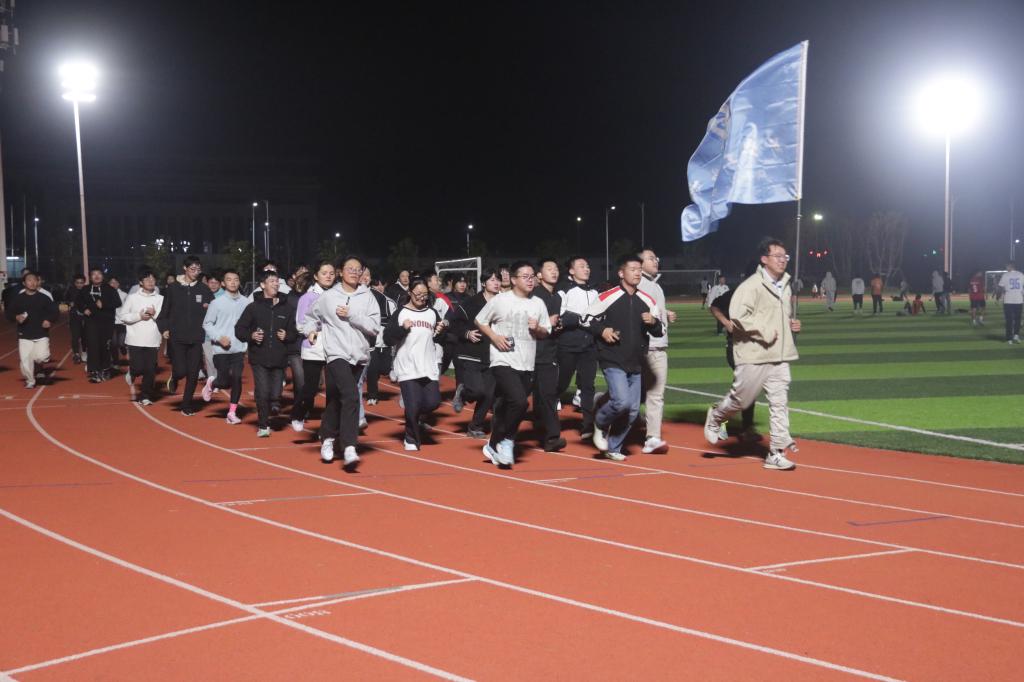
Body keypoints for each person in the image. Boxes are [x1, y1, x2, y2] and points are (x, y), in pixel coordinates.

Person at [704, 237, 802, 471]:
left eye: (785, 256)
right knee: (742, 400)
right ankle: (716, 416)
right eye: (777, 256)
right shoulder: (751, 286)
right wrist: (764, 331)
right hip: (753, 354)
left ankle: (776, 452)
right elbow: (738, 316)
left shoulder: (785, 285)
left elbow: (777, 316)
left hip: (779, 355)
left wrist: (791, 324)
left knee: (779, 403)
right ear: (764, 259)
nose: (783, 260)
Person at [306, 256, 380, 470]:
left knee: (337, 399)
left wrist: (352, 315)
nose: (355, 272)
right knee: (350, 395)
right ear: (340, 272)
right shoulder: (328, 297)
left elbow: (374, 327)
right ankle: (349, 446)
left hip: (359, 355)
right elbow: (311, 316)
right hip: (336, 354)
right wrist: (310, 330)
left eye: (358, 269)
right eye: (350, 269)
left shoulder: (368, 297)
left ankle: (327, 437)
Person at [587, 255, 664, 461]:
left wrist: (653, 322)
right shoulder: (607, 296)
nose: (637, 273)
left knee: (632, 411)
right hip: (612, 357)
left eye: (639, 269)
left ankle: (614, 447)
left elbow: (660, 331)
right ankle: (600, 422)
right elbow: (586, 319)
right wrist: (603, 330)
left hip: (637, 362)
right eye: (633, 269)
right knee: (621, 402)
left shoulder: (648, 300)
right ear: (621, 273)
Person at [475, 261, 552, 468]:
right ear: (514, 279)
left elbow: (546, 332)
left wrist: (537, 329)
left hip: (526, 364)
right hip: (502, 360)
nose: (530, 280)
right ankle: (507, 441)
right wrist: (494, 337)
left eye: (532, 276)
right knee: (520, 402)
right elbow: (480, 320)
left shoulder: (538, 304)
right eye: (525, 276)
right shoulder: (500, 300)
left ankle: (492, 445)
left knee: (504, 408)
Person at [384, 278, 446, 451]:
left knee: (433, 403)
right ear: (410, 293)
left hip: (428, 366)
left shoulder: (432, 313)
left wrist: (441, 331)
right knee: (412, 405)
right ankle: (411, 438)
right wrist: (402, 329)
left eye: (425, 294)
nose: (421, 297)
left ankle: (414, 414)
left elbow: (439, 338)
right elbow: (387, 338)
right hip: (407, 365)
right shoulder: (401, 312)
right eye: (418, 294)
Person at [234, 270, 297, 437]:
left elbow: (294, 332)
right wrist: (251, 336)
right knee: (262, 392)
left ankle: (274, 403)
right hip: (259, 358)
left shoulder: (288, 308)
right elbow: (239, 329)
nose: (275, 284)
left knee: (275, 394)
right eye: (271, 281)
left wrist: (287, 335)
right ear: (262, 285)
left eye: (277, 281)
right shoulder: (253, 308)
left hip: (280, 358)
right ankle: (263, 425)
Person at [157, 256, 215, 415]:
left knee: (193, 373)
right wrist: (164, 328)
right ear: (185, 268)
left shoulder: (204, 289)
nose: (196, 272)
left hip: (196, 337)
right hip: (177, 336)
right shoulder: (173, 288)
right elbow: (164, 312)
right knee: (181, 370)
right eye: (192, 269)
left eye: (198, 269)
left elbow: (214, 310)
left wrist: (209, 308)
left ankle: (186, 405)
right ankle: (175, 377)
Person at [451, 268, 501, 438]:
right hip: (471, 353)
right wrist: (467, 333)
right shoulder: (471, 303)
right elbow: (454, 323)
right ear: (483, 283)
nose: (496, 283)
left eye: (498, 279)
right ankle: (463, 391)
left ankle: (475, 427)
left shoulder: (503, 303)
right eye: (492, 279)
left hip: (494, 355)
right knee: (478, 391)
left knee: (489, 394)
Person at [708, 266, 757, 439]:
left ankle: (727, 418)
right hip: (736, 347)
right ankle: (736, 424)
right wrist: (726, 322)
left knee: (748, 387)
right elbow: (714, 306)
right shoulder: (736, 293)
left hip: (755, 348)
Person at [556, 256, 599, 439]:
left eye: (587, 266)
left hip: (589, 346)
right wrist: (579, 318)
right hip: (568, 344)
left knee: (588, 386)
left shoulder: (595, 292)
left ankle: (587, 426)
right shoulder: (564, 290)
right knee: (562, 383)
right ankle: (545, 410)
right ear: (572, 271)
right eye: (581, 266)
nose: (586, 269)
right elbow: (559, 315)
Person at [638, 249, 676, 454]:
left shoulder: (654, 285)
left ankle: (652, 437)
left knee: (655, 394)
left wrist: (665, 313)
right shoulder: (639, 284)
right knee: (631, 395)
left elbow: (652, 310)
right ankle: (601, 403)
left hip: (659, 346)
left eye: (656, 258)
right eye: (651, 258)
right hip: (643, 347)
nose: (656, 261)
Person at [290, 262, 335, 430]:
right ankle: (298, 413)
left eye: (331, 273)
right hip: (314, 346)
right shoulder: (308, 297)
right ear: (316, 276)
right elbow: (300, 324)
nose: (328, 276)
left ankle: (329, 426)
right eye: (324, 273)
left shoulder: (337, 295)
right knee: (311, 387)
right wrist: (313, 330)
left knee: (334, 389)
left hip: (335, 347)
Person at [201, 270, 249, 423]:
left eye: (236, 279)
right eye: (229, 279)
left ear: (239, 282)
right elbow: (207, 324)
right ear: (223, 283)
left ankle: (232, 413)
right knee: (224, 382)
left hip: (239, 349)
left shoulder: (246, 302)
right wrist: (219, 338)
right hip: (221, 349)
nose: (233, 282)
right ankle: (212, 383)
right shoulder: (216, 303)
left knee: (236, 379)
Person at [532, 257, 565, 451]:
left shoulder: (557, 298)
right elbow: (528, 323)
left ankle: (551, 437)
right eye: (549, 268)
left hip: (549, 353)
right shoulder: (534, 296)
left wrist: (557, 325)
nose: (554, 271)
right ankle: (501, 433)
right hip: (530, 353)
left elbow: (552, 325)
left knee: (547, 395)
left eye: (556, 268)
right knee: (518, 397)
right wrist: (547, 323)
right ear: (539, 275)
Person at [5, 271, 59, 389]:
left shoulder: (44, 298)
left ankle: (35, 361)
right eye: (29, 280)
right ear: (24, 283)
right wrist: (16, 317)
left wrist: (49, 320)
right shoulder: (18, 298)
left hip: (41, 333)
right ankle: (30, 380)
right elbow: (9, 313)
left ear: (38, 282)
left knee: (42, 357)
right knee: (25, 360)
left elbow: (55, 311)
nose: (32, 282)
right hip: (24, 334)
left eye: (35, 280)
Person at [119, 270, 164, 405]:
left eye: (153, 279)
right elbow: (123, 316)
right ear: (140, 282)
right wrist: (139, 316)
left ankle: (145, 396)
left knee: (150, 370)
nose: (150, 282)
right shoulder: (132, 298)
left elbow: (164, 318)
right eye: (147, 279)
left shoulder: (160, 299)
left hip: (152, 339)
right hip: (135, 338)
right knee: (138, 368)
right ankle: (132, 372)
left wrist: (154, 314)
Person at [75, 268, 122, 382]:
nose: (96, 276)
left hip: (106, 322)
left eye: (99, 274)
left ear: (102, 276)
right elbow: (78, 302)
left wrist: (104, 304)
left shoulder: (110, 289)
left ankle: (105, 369)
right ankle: (94, 371)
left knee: (105, 346)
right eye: (93, 274)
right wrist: (84, 309)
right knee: (92, 346)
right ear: (90, 277)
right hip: (91, 321)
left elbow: (118, 303)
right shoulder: (85, 289)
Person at [362, 270, 396, 407]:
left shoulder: (387, 301)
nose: (379, 287)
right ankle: (372, 395)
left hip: (383, 341)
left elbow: (393, 322)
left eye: (367, 275)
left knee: (384, 369)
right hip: (368, 341)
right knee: (372, 368)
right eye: (377, 284)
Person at [997, 262, 1023, 344]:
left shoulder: (1006, 275)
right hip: (1019, 299)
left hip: (1008, 300)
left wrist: (998, 298)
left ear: (1010, 267)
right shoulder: (1021, 274)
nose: (1006, 268)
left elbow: (1000, 288)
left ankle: (1009, 339)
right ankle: (1016, 335)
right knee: (1018, 319)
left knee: (1009, 320)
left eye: (1007, 267)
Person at [64, 274, 88, 364]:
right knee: (75, 336)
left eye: (81, 283)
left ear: (84, 283)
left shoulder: (87, 291)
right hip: (74, 317)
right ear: (74, 283)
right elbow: (65, 299)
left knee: (85, 336)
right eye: (77, 283)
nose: (79, 284)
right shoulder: (71, 291)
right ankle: (76, 354)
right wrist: (69, 303)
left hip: (85, 317)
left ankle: (84, 353)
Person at [108, 275, 129, 361]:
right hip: (111, 322)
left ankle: (123, 348)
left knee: (121, 343)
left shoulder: (124, 295)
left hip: (122, 322)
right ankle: (115, 361)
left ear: (118, 284)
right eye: (111, 283)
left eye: (115, 282)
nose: (113, 284)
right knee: (113, 343)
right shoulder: (106, 294)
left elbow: (128, 308)